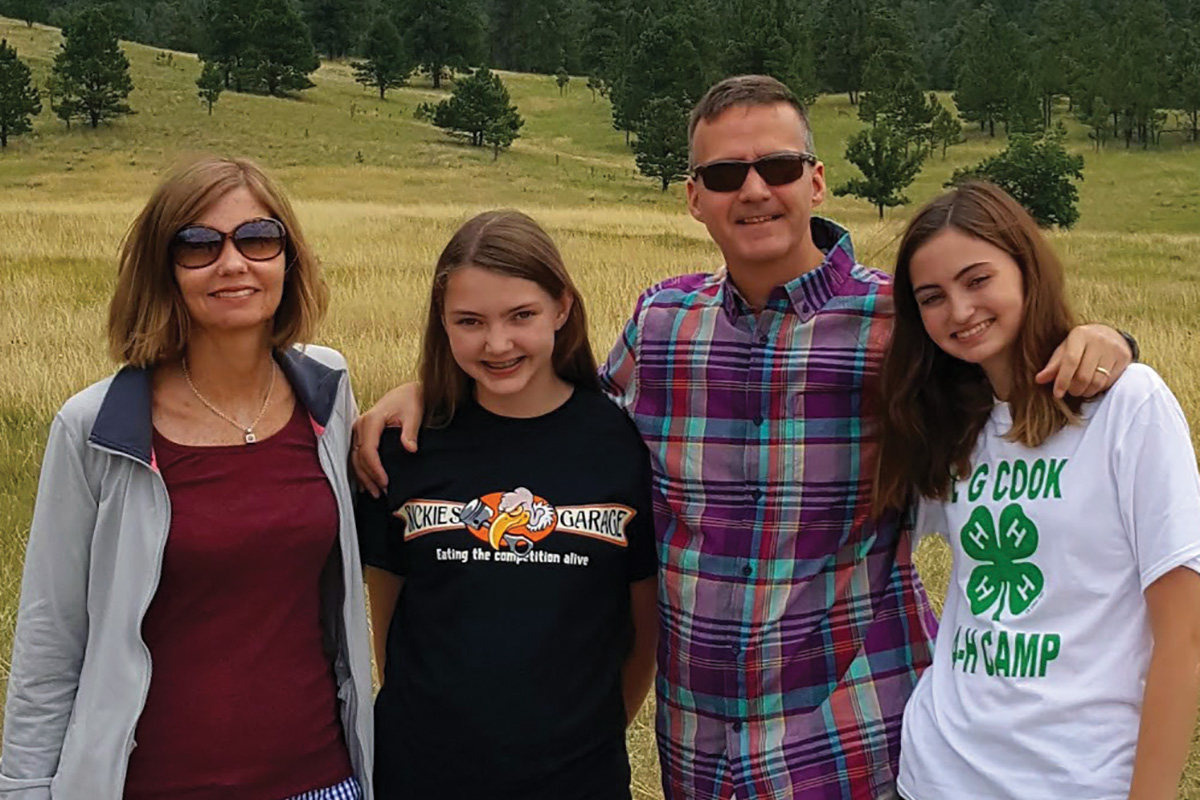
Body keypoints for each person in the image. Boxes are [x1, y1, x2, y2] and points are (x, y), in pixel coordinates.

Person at [351, 76, 1135, 799]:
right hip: (698, 738)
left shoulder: (897, 328)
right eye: (725, 175)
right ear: (695, 198)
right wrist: (435, 386)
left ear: (817, 181)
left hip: (852, 729)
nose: (754, 190)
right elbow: (550, 406)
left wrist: (1113, 340)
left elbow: (1013, 370)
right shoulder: (663, 325)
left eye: (780, 167)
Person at [0, 155, 373, 800]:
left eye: (258, 238)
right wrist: (25, 788)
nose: (233, 264)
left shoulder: (327, 394)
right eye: (198, 245)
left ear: (289, 256)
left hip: (320, 781)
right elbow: (49, 641)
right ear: (164, 270)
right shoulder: (96, 428)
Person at [873, 181, 1200, 800]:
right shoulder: (954, 424)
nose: (960, 311)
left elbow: (1184, 640)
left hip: (1077, 779)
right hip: (937, 773)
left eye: (977, 280)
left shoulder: (1127, 405)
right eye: (932, 297)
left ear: (1027, 270)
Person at [355, 210, 659, 800]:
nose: (497, 344)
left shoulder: (622, 445)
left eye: (521, 316)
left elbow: (643, 634)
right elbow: (389, 626)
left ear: (562, 308)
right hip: (418, 775)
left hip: (577, 778)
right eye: (469, 321)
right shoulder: (406, 446)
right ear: (442, 325)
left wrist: (575, 739)